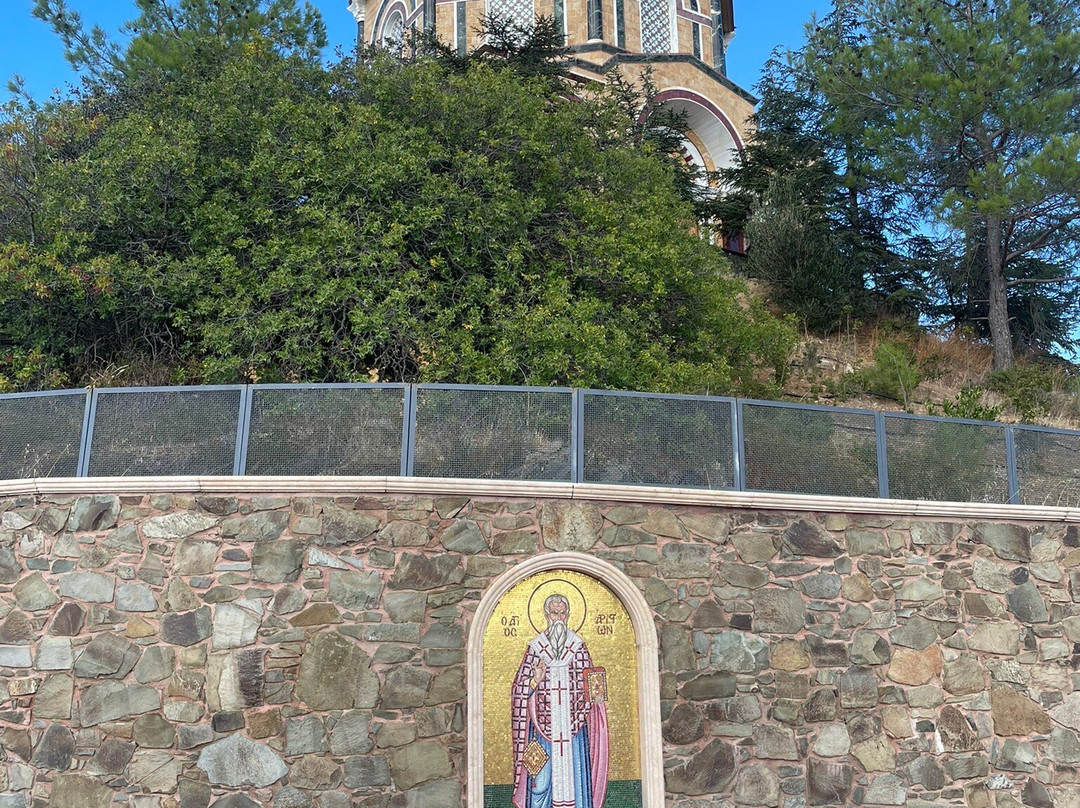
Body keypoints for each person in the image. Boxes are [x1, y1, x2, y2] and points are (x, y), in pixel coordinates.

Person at [511, 593, 609, 808]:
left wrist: (596, 697)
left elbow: (592, 688)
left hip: (574, 728)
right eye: (554, 613)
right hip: (541, 728)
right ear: (546, 615)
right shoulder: (535, 647)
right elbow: (519, 690)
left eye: (562, 613)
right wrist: (535, 681)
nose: (558, 618)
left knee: (575, 778)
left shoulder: (578, 646)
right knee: (539, 782)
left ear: (568, 615)